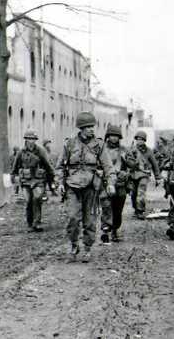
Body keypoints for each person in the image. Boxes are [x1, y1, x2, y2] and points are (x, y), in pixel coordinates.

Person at [56, 111, 116, 263]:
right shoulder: (69, 144)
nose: (91, 129)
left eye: (92, 126)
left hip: (91, 186)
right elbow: (59, 166)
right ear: (80, 128)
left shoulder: (99, 145)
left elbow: (108, 166)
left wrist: (110, 183)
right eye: (87, 127)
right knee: (72, 218)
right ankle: (74, 246)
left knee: (89, 219)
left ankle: (87, 248)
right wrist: (60, 183)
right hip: (72, 185)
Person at [11, 129, 55, 232]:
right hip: (26, 181)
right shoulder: (21, 152)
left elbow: (48, 166)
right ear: (25, 139)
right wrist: (13, 177)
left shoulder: (41, 151)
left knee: (37, 198)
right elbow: (15, 167)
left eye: (33, 139)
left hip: (38, 180)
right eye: (29, 139)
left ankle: (37, 223)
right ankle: (30, 223)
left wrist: (52, 179)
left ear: (35, 140)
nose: (31, 141)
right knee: (28, 201)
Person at [99, 125, 129, 244]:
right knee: (106, 206)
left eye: (116, 136)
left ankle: (115, 229)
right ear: (107, 136)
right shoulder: (101, 149)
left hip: (120, 183)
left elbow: (130, 167)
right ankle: (105, 230)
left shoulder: (124, 150)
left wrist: (125, 173)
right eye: (111, 135)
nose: (114, 138)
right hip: (105, 182)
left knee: (118, 208)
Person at [126, 130, 161, 220]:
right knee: (133, 194)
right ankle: (136, 209)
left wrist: (157, 177)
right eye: (138, 139)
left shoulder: (149, 151)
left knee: (141, 193)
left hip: (144, 174)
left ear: (144, 140)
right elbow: (127, 162)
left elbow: (154, 164)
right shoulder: (131, 149)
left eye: (141, 139)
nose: (139, 141)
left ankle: (140, 210)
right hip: (133, 175)